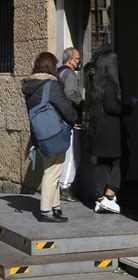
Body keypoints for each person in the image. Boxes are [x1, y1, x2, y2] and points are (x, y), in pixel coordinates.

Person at [22, 52, 77, 222]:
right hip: (55, 133)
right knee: (53, 172)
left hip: (40, 134)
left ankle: (55, 206)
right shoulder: (50, 85)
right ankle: (46, 211)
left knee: (51, 168)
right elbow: (66, 109)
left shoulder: (30, 86)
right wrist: (74, 117)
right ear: (51, 67)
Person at [84, 49, 123, 214]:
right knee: (115, 162)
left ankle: (99, 198)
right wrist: (125, 107)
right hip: (110, 130)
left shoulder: (93, 81)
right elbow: (112, 108)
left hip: (97, 128)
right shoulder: (110, 83)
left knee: (101, 164)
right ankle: (109, 196)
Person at [57, 47, 83, 202]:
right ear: (70, 60)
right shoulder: (70, 75)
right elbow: (72, 95)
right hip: (69, 120)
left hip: (58, 121)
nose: (79, 62)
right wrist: (82, 104)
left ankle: (60, 185)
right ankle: (65, 187)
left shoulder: (58, 72)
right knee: (72, 155)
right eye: (78, 59)